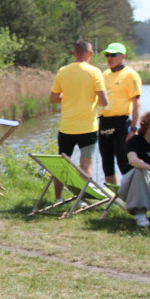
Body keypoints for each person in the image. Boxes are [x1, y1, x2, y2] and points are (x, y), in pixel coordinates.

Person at [50, 39, 109, 200]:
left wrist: (66, 96)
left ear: (74, 53)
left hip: (67, 127)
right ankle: (83, 200)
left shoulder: (63, 71)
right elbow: (104, 102)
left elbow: (53, 98)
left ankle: (58, 198)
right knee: (86, 165)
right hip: (88, 127)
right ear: (90, 54)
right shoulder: (95, 72)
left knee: (63, 164)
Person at [98, 42, 142, 185]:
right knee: (107, 164)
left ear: (123, 56)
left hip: (121, 122)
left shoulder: (130, 75)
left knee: (124, 162)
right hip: (104, 121)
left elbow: (136, 103)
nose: (109, 58)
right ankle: (114, 199)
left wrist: (134, 128)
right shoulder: (104, 74)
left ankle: (133, 197)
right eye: (107, 55)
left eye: (113, 55)